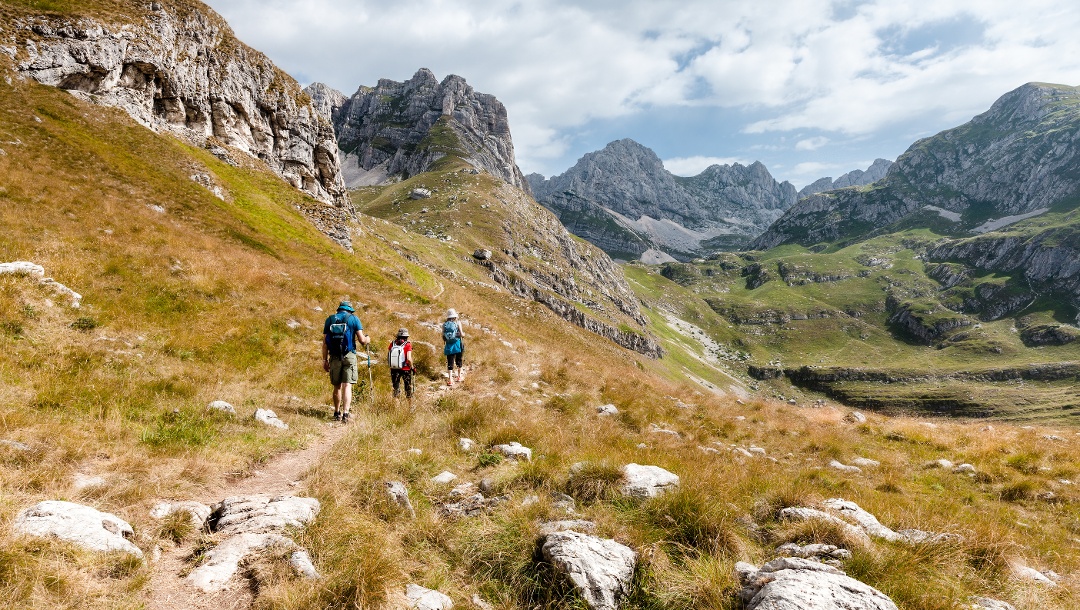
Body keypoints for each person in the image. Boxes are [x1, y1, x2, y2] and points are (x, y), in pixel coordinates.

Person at [322, 301, 369, 424]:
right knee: (347, 385)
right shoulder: (354, 319)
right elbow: (362, 340)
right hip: (349, 355)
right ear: (350, 310)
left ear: (339, 310)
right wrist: (368, 339)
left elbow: (325, 343)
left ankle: (336, 412)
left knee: (336, 386)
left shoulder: (330, 319)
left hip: (334, 356)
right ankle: (346, 414)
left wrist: (324, 360)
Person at [387, 328, 414, 402]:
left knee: (396, 390)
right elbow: (408, 358)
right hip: (406, 369)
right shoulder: (408, 344)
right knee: (408, 389)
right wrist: (412, 367)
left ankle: (396, 410)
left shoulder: (392, 343)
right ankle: (409, 409)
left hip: (394, 369)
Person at [442, 308, 465, 387]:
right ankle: (459, 377)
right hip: (457, 344)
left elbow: (443, 336)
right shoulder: (458, 323)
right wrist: (463, 335)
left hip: (448, 345)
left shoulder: (444, 325)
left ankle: (450, 380)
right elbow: (462, 334)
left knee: (450, 361)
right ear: (455, 316)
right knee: (459, 360)